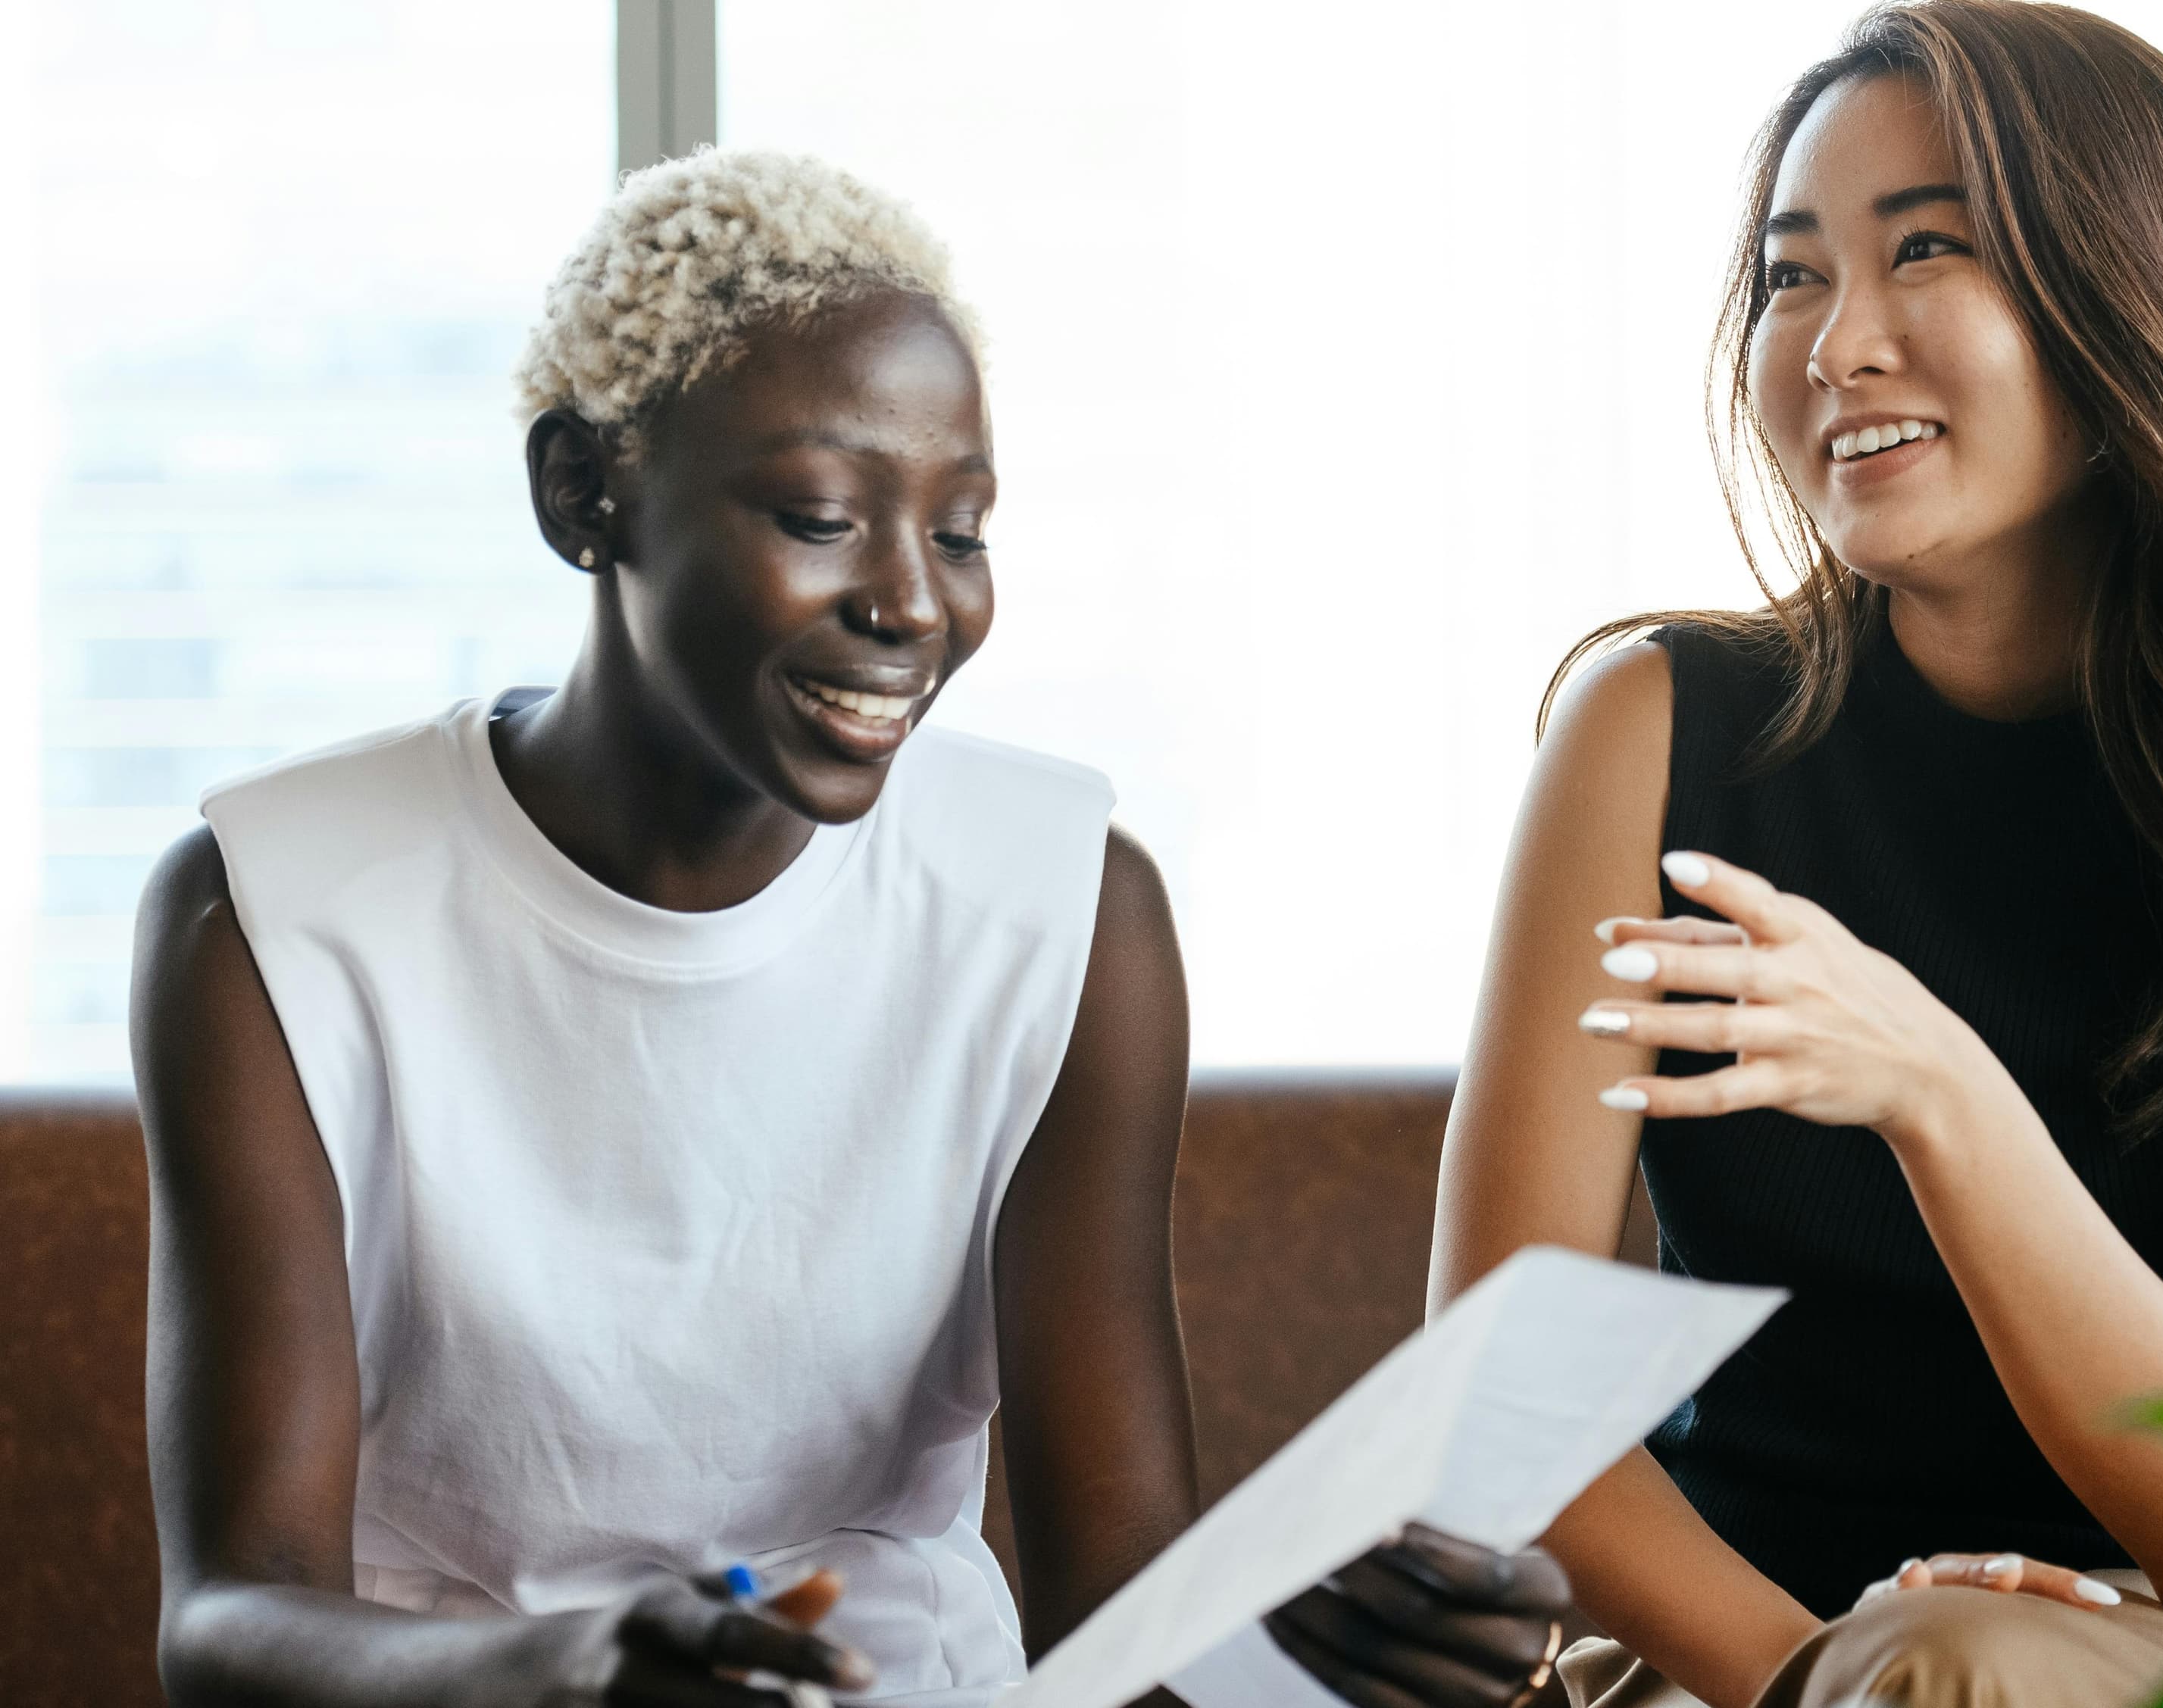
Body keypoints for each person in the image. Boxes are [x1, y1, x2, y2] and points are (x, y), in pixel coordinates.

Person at [133, 148, 1569, 1708]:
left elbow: (1119, 1609)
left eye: (959, 532)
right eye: (821, 516)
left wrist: (1324, 1648)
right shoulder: (266, 912)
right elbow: (230, 1619)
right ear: (581, 493)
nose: (913, 606)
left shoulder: (1068, 908)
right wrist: (570, 1673)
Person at [1429, 5, 2163, 1705]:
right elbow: (1505, 1401)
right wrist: (1838, 1673)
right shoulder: (1656, 732)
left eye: (1925, 248)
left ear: (2131, 301)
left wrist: (1937, 1089)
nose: (1836, 342)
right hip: (1758, 1660)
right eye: (1794, 275)